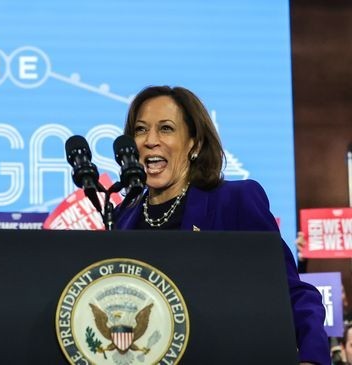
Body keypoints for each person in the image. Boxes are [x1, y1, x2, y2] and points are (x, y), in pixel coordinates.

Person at [115, 86, 330, 364]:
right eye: (141, 130)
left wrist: (311, 357)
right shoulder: (123, 217)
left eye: (166, 129)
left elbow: (288, 290)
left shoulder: (234, 201)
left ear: (195, 144)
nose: (150, 140)